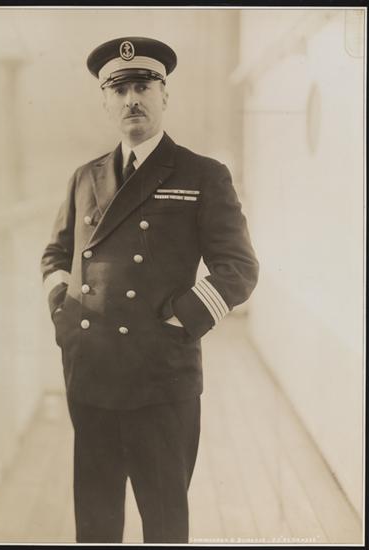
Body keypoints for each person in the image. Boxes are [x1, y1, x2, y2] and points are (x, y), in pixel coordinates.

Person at [41, 36, 259, 544]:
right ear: (105, 102)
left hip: (160, 380)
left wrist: (182, 320)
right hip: (91, 374)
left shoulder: (202, 175)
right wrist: (62, 313)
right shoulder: (84, 177)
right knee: (95, 527)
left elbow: (239, 267)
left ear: (165, 95)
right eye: (118, 91)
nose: (131, 100)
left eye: (142, 86)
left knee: (164, 527)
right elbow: (55, 254)